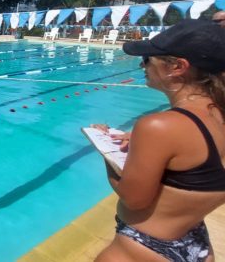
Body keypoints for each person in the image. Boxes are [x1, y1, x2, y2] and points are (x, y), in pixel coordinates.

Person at [94, 19, 225, 262]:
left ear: (177, 66)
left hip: (141, 249)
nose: (142, 65)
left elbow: (133, 200)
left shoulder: (158, 127)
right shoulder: (217, 115)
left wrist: (104, 148)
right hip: (196, 246)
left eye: (147, 59)